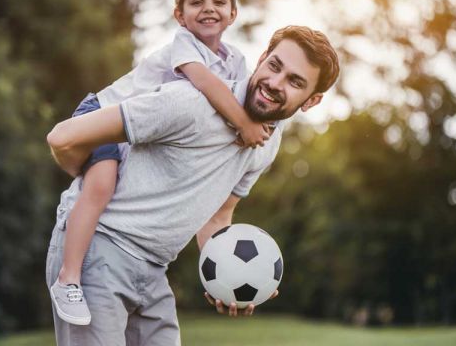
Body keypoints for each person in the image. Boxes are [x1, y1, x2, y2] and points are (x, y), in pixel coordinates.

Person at [46, 25, 340, 345]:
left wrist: (229, 274)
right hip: (98, 249)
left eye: (295, 81)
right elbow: (63, 138)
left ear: (312, 101)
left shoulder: (267, 144)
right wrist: (90, 186)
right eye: (274, 66)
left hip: (154, 270)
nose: (275, 83)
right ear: (261, 58)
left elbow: (216, 217)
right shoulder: (191, 104)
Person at [48, 0, 272, 326]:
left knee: (111, 184)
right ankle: (69, 278)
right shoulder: (184, 46)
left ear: (233, 13)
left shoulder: (237, 61)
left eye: (219, 1)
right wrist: (244, 124)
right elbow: (204, 84)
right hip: (102, 115)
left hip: (135, 132)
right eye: (196, 2)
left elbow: (234, 98)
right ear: (179, 16)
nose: (208, 9)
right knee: (101, 186)